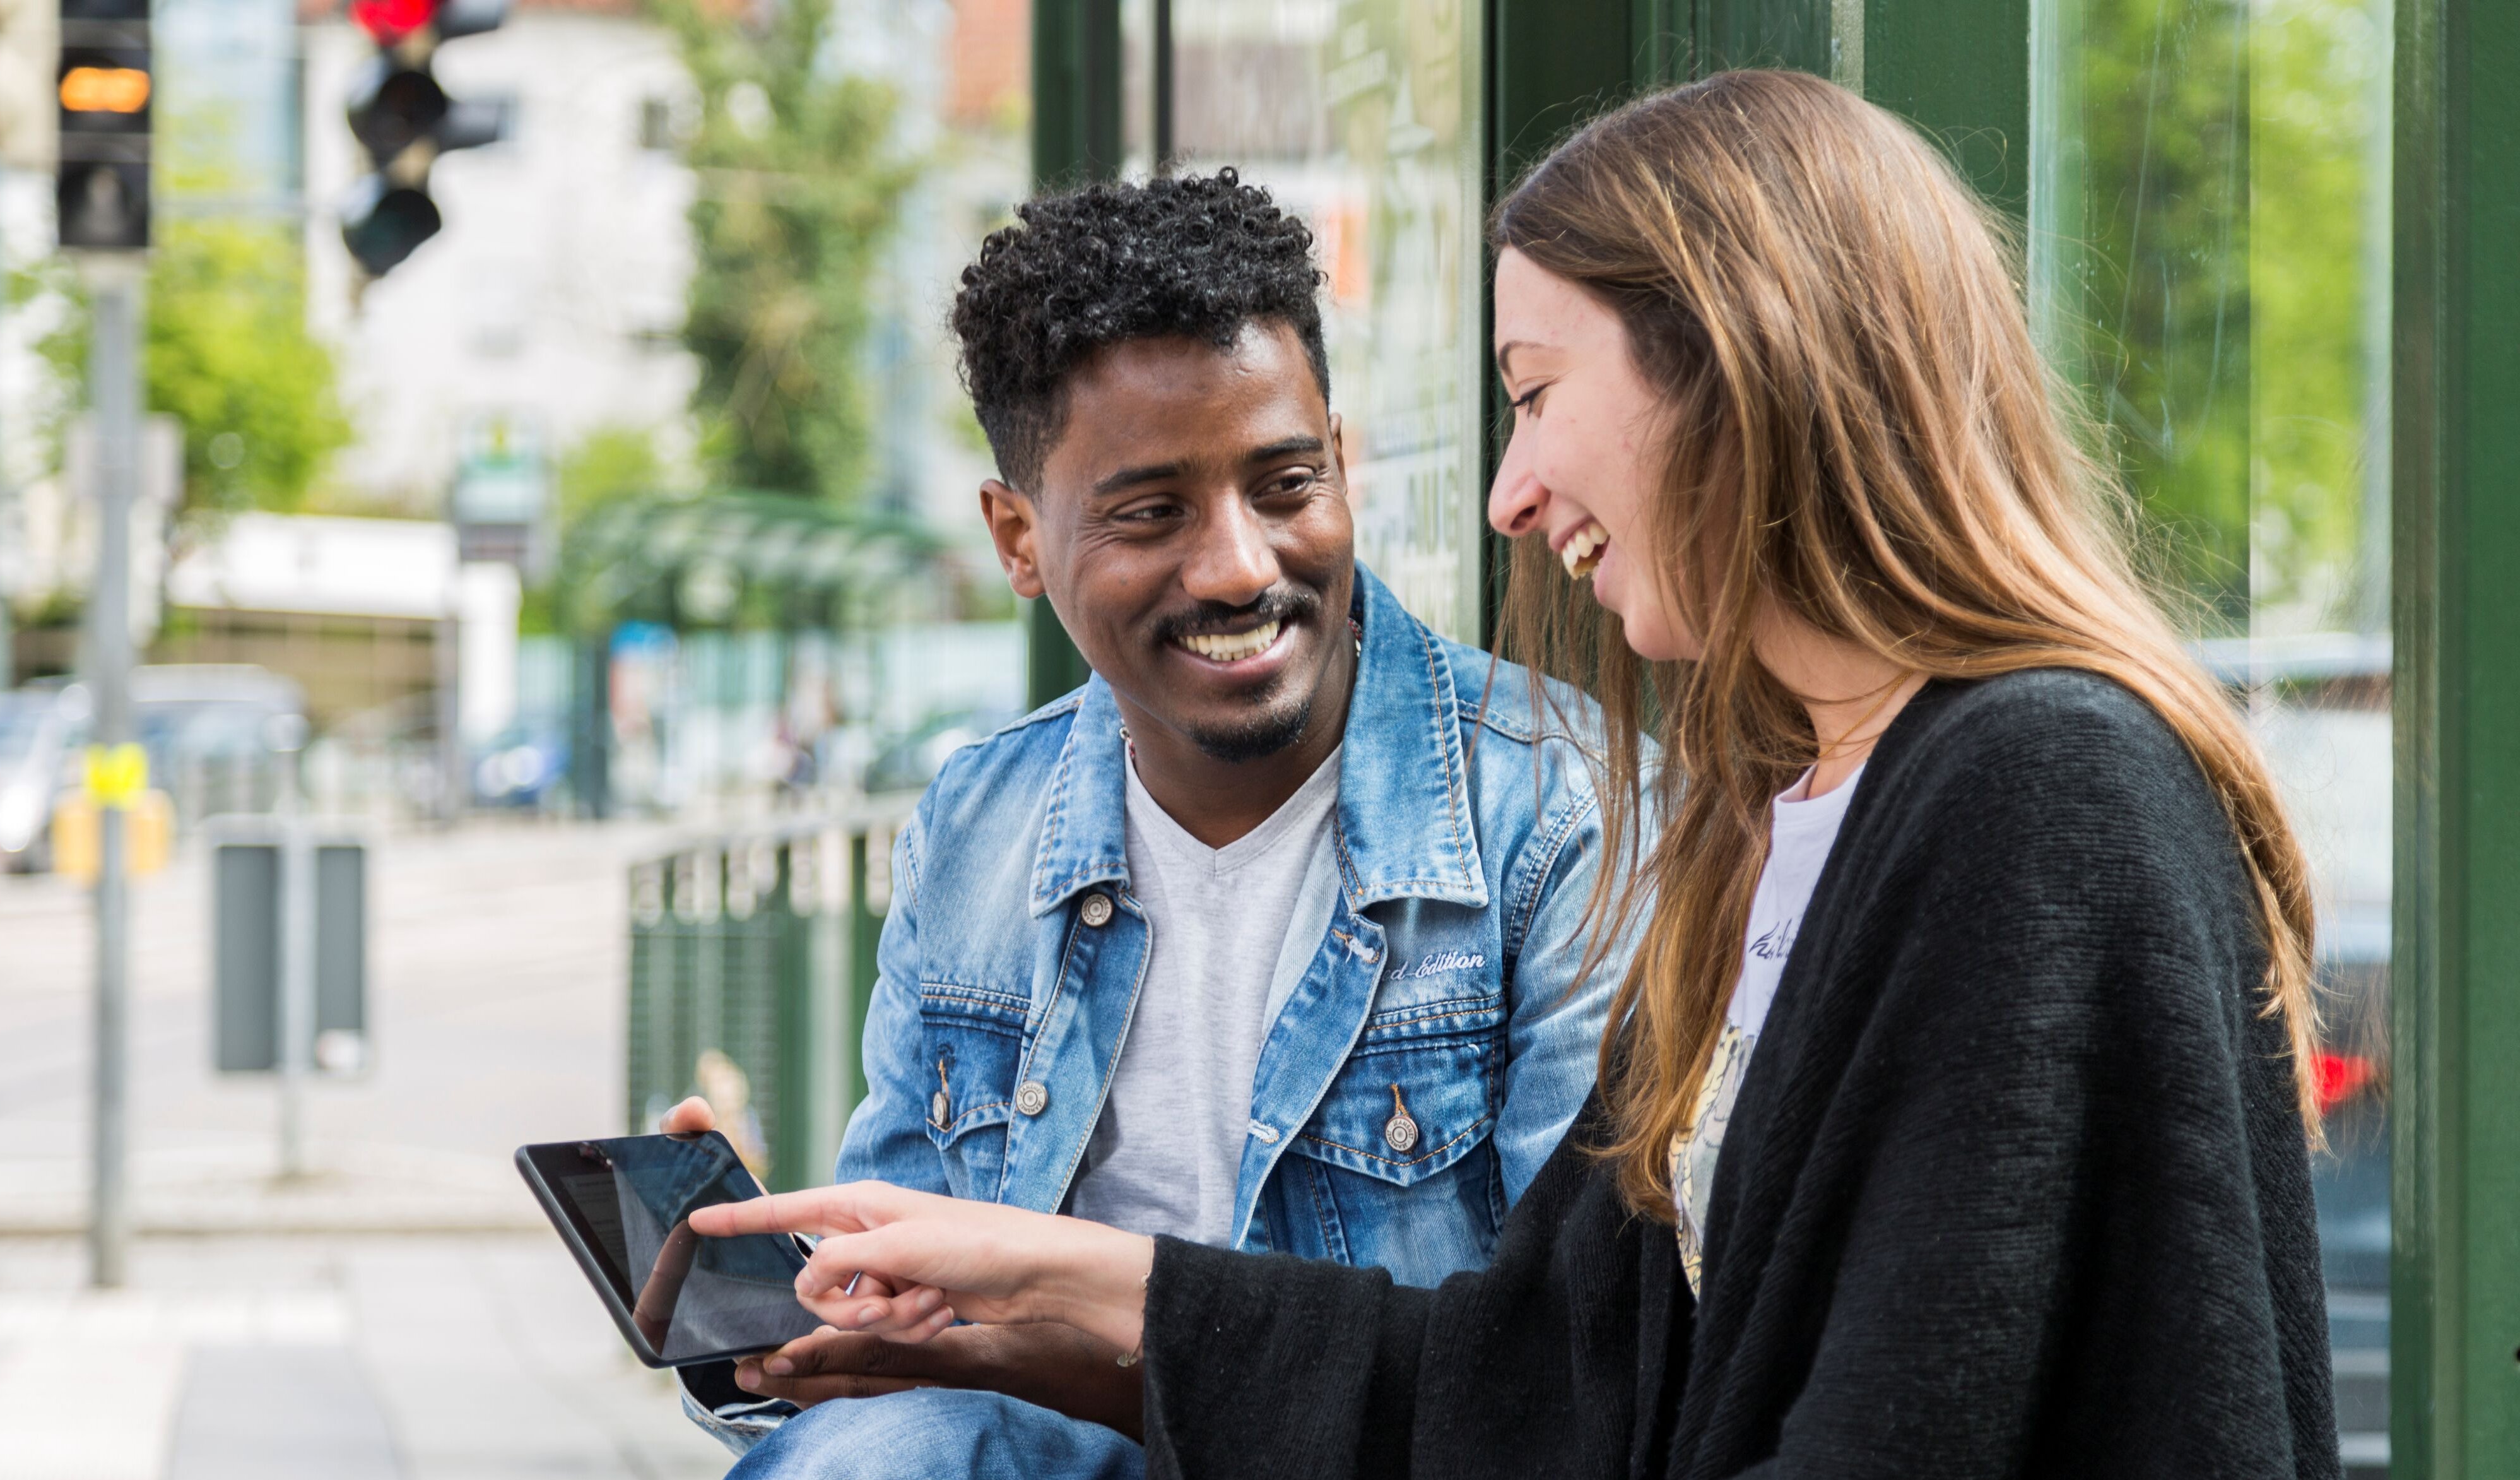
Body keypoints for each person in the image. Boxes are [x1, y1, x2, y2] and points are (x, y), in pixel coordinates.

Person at [686, 70, 2343, 1479]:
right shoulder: (1779, 819)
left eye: (1537, 395)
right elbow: (1558, 1376)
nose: (1511, 491)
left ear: (1738, 361)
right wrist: (1037, 1293)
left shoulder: (2031, 790)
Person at [667, 168, 1622, 1477]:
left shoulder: (1563, 810)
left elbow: (1567, 1380)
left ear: (1343, 462)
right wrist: (778, 1311)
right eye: (1151, 513)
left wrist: (1069, 1326)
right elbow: (902, 1347)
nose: (1238, 565)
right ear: (1017, 538)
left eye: (1286, 483)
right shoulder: (977, 824)